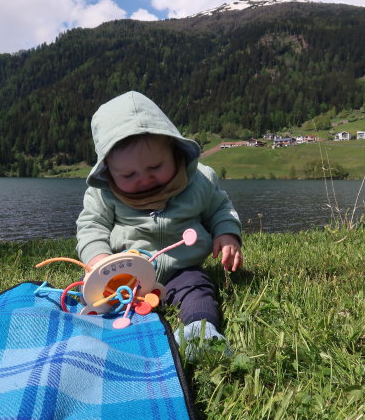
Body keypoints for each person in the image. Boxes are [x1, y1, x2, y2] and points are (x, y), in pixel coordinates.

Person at [76, 91, 243, 359]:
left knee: (198, 290)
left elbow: (221, 208)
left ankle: (199, 334)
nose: (144, 179)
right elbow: (91, 226)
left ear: (175, 152)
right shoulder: (104, 193)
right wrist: (99, 259)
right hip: (124, 274)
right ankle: (96, 342)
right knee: (98, 299)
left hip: (181, 269)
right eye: (128, 174)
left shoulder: (200, 181)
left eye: (155, 166)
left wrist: (227, 233)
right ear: (108, 170)